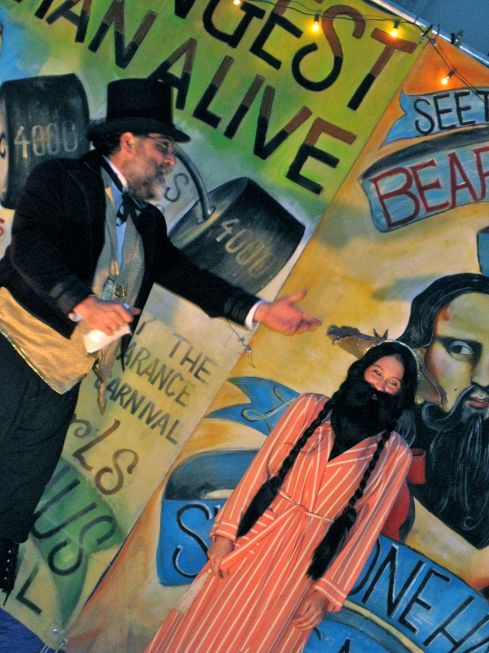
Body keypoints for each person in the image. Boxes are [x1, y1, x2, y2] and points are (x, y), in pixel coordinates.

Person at [0, 78, 320, 600]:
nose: (170, 161)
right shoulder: (61, 178)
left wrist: (259, 309)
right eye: (163, 148)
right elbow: (29, 247)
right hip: (10, 347)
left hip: (61, 374)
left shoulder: (146, 223)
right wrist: (81, 302)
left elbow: (187, 275)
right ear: (128, 141)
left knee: (16, 490)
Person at [144, 341, 418, 653]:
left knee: (259, 642)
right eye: (376, 373)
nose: (379, 387)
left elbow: (364, 531)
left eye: (392, 383)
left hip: (302, 569)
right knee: (204, 628)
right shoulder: (310, 408)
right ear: (361, 371)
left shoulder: (395, 454)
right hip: (255, 538)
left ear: (401, 394)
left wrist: (325, 592)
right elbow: (259, 471)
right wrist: (226, 534)